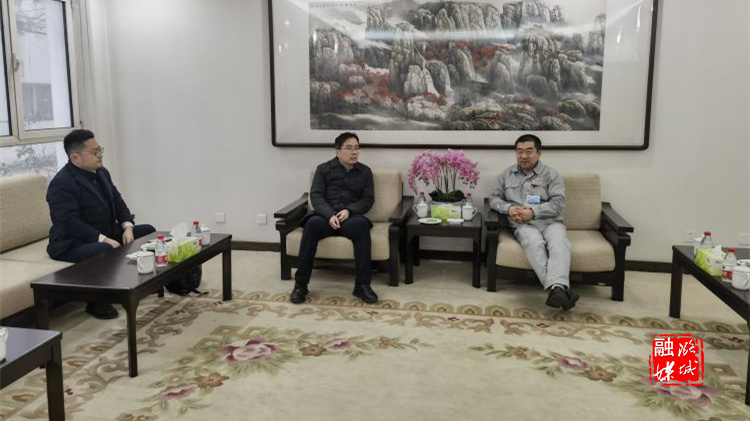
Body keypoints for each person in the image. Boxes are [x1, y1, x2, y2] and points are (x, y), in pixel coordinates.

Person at [47, 129, 155, 319]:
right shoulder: (61, 184)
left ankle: (145, 282)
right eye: (94, 152)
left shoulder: (102, 172)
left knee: (148, 231)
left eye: (100, 150)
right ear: (75, 157)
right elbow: (70, 223)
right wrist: (104, 239)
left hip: (106, 233)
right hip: (72, 243)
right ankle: (97, 301)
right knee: (102, 250)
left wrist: (127, 227)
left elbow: (117, 201)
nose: (100, 155)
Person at [489, 134, 579, 310]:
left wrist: (532, 212)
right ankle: (559, 289)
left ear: (539, 152)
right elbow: (494, 198)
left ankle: (557, 290)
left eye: (529, 151)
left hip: (550, 222)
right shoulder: (507, 174)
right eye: (519, 151)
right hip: (522, 224)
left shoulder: (552, 175)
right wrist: (509, 209)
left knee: (559, 243)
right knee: (534, 243)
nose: (523, 156)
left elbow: (558, 204)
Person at [290, 132, 378, 304]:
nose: (354, 152)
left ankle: (362, 285)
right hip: (325, 217)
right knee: (312, 224)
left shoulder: (365, 172)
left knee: (362, 226)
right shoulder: (323, 169)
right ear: (337, 151)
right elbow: (316, 196)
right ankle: (300, 285)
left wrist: (349, 210)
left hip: (350, 218)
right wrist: (329, 215)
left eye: (357, 148)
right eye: (349, 148)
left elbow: (368, 200)